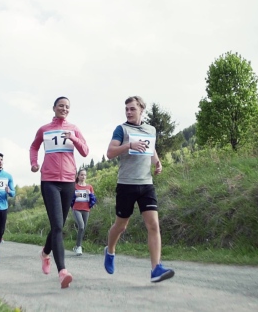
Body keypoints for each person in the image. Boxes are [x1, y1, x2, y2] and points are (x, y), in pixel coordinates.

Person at [103, 96, 175, 283]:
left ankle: (156, 269)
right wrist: (129, 145)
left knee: (153, 225)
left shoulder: (150, 129)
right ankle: (110, 251)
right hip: (126, 184)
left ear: (141, 109)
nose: (128, 112)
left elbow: (150, 149)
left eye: (132, 109)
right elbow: (110, 153)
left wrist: (157, 163)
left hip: (146, 184)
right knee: (121, 226)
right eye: (126, 109)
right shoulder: (122, 129)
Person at [30, 96, 89, 289]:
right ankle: (62, 271)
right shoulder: (44, 129)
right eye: (61, 106)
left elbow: (85, 151)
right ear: (54, 107)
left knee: (60, 224)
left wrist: (73, 138)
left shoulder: (74, 128)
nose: (64, 109)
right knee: (57, 226)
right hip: (49, 180)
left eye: (67, 107)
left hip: (68, 182)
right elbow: (34, 146)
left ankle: (45, 253)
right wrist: (34, 163)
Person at [70, 168, 96, 256]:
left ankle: (77, 246)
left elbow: (93, 199)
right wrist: (74, 194)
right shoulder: (74, 186)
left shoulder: (89, 187)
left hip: (86, 210)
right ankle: (79, 247)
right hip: (76, 209)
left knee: (83, 228)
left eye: (85, 175)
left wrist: (90, 194)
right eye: (81, 175)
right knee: (81, 226)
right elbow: (68, 198)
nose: (83, 176)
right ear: (78, 176)